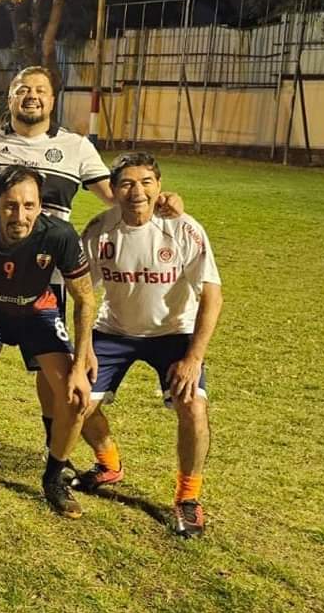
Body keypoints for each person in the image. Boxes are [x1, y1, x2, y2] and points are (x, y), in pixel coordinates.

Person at [0, 65, 184, 454]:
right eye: (22, 89)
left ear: (53, 99)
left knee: (48, 370)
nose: (31, 96)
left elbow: (115, 195)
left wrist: (162, 199)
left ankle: (53, 443)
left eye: (40, 90)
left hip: (47, 276)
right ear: (10, 97)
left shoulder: (76, 147)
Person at [78, 152, 223, 537]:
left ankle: (188, 498)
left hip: (174, 334)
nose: (136, 191)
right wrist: (83, 350)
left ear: (159, 187)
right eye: (126, 183)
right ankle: (108, 464)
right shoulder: (98, 230)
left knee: (192, 406)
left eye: (146, 182)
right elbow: (80, 292)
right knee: (76, 401)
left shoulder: (184, 228)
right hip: (114, 331)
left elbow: (212, 295)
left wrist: (194, 357)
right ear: (114, 189)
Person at [0, 165, 96, 517]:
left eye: (29, 206)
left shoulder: (59, 235)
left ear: (40, 206)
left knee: (75, 398)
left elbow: (86, 298)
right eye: (11, 205)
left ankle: (54, 477)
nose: (20, 215)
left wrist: (81, 357)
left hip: (36, 312)